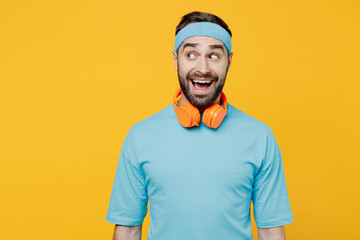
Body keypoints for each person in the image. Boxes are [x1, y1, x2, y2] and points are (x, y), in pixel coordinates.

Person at [106, 11, 293, 240]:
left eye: (214, 56)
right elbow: (128, 228)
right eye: (191, 54)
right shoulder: (140, 136)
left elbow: (270, 230)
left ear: (229, 61)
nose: (202, 68)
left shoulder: (260, 137)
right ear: (176, 60)